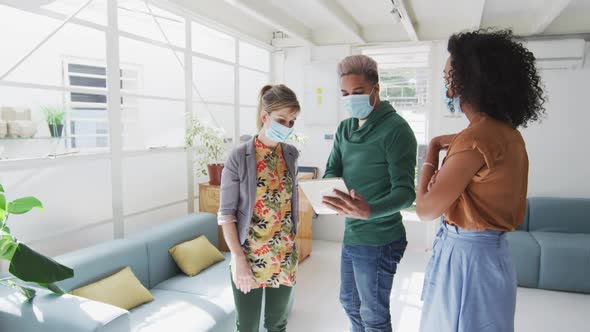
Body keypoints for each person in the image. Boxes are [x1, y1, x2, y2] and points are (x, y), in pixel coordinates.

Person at [416, 29, 546, 332]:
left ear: (468, 81)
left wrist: (431, 151)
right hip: (492, 257)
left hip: (467, 261)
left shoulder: (475, 139)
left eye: (448, 77)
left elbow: (425, 210)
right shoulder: (508, 134)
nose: (446, 86)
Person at [322, 54, 417, 332]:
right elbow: (331, 170)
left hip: (380, 238)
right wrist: (329, 191)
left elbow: (406, 193)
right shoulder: (345, 128)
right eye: (345, 93)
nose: (351, 99)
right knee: (349, 303)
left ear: (377, 89)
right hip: (353, 233)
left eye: (358, 92)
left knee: (373, 314)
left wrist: (370, 210)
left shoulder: (396, 130)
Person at [218, 84, 301, 332]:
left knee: (278, 325)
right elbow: (226, 215)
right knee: (248, 327)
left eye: (292, 121)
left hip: (284, 255)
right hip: (250, 257)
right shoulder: (239, 157)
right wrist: (238, 258)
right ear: (265, 117)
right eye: (281, 120)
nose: (287, 127)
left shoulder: (292, 154)